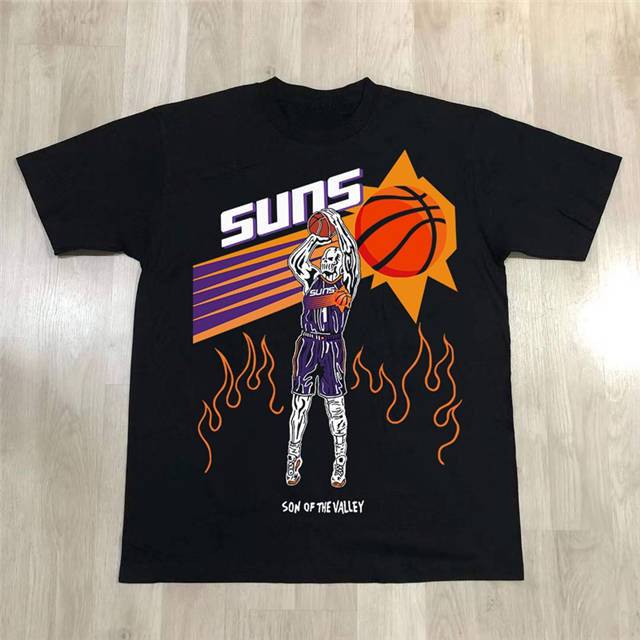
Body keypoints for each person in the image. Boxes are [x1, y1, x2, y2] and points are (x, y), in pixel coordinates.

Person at [285, 208, 361, 488]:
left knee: (335, 407)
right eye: (326, 258)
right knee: (299, 405)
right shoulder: (311, 280)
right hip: (307, 344)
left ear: (341, 265)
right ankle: (293, 457)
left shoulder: (347, 283)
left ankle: (340, 461)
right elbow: (295, 261)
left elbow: (351, 254)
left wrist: (338, 224)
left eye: (334, 258)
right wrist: (314, 239)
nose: (330, 261)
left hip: (332, 346)